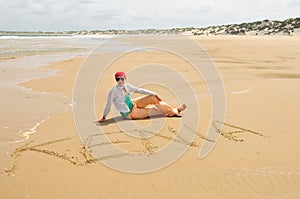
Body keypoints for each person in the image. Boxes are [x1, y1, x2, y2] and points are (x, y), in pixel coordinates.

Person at [97, 71, 186, 123]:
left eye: (122, 78)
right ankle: (175, 111)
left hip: (133, 103)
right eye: (118, 79)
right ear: (116, 80)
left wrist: (154, 93)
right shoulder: (113, 91)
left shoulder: (127, 86)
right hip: (130, 114)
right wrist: (104, 117)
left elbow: (139, 90)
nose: (120, 81)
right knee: (155, 111)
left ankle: (171, 110)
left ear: (125, 78)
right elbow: (108, 105)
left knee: (153, 98)